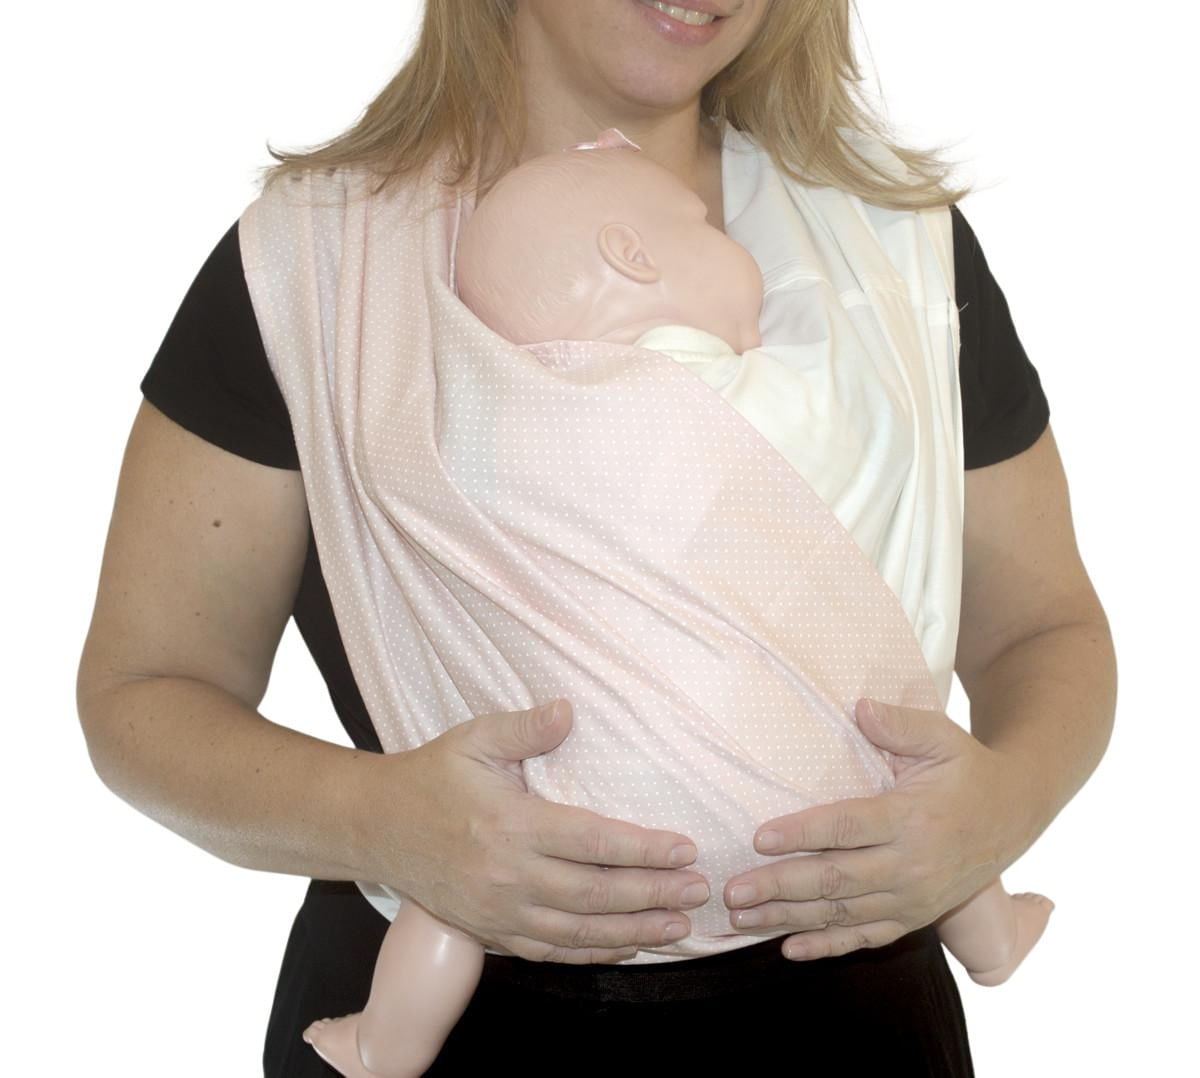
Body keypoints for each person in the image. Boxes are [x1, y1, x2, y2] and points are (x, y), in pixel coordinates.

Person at [75, 2, 1117, 1075]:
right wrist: (381, 823)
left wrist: (999, 806)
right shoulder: (315, 269)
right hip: (451, 1032)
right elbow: (142, 693)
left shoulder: (895, 252)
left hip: (852, 1025)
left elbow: (1044, 627)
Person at [300, 130, 1056, 1078]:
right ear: (633, 254)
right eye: (706, 227)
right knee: (910, 778)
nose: (740, 253)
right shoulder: (754, 397)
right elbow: (855, 436)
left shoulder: (484, 435)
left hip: (570, 825)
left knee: (443, 901)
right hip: (810, 819)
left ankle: (386, 1041)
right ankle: (992, 936)